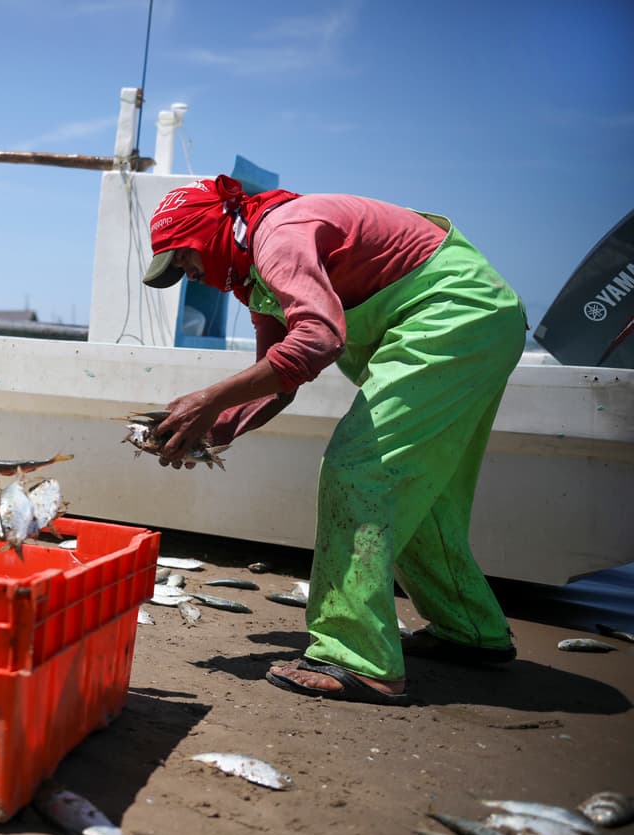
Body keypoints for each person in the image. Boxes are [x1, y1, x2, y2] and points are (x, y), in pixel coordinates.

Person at [142, 175, 525, 705]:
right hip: (478, 321)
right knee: (420, 491)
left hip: (451, 316)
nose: (193, 277)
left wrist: (208, 398)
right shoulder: (256, 277)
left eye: (187, 260)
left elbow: (318, 340)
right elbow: (280, 379)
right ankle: (470, 631)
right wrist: (214, 428)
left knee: (361, 472)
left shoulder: (279, 235)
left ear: (213, 230)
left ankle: (359, 660)